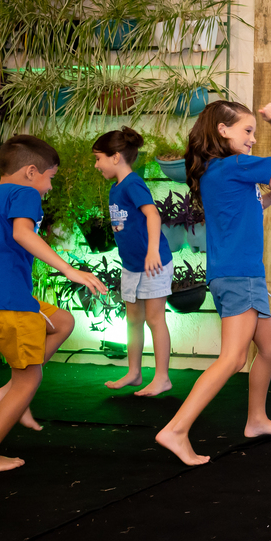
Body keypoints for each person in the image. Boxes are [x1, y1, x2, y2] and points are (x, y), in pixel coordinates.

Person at [155, 100, 271, 465]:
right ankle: (176, 430)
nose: (252, 139)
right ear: (222, 130)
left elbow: (240, 217)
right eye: (247, 131)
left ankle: (257, 420)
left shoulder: (215, 171)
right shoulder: (234, 165)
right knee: (233, 358)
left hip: (234, 274)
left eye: (255, 131)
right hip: (240, 275)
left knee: (270, 347)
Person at [0, 135, 106, 475]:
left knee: (63, 321)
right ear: (31, 172)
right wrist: (69, 270)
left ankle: (9, 390)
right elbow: (23, 233)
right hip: (8, 301)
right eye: (50, 177)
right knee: (29, 380)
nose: (49, 187)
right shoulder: (25, 193)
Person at [93, 127, 174, 396]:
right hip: (132, 266)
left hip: (153, 264)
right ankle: (134, 372)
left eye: (98, 158)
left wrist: (152, 251)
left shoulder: (133, 183)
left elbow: (153, 215)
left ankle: (162, 377)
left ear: (115, 157)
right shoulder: (116, 188)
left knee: (155, 319)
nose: (96, 165)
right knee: (133, 320)